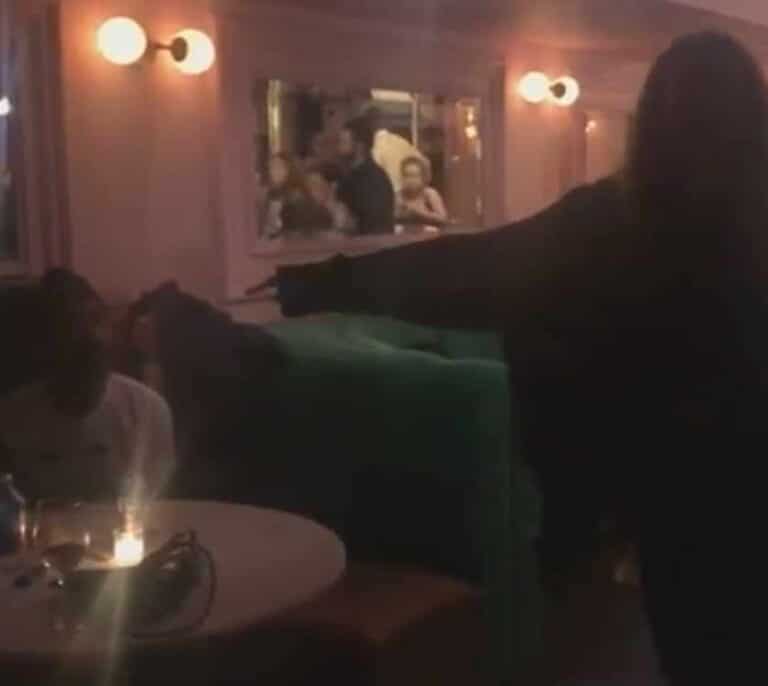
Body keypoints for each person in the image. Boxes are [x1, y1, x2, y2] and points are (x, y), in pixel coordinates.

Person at [251, 32, 768, 684]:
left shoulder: (610, 223)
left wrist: (320, 282)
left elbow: (471, 270)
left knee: (702, 651)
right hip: (734, 483)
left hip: (671, 499)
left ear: (654, 120)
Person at [0, 270, 175, 501]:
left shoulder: (148, 411)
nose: (91, 337)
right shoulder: (10, 418)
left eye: (95, 322)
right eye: (70, 327)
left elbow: (161, 508)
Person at [336, 116, 395, 234]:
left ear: (359, 146)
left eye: (343, 142)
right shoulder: (350, 176)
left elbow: (373, 221)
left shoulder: (372, 179)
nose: (338, 148)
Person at [260, 153, 333, 239]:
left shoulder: (296, 196)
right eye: (271, 167)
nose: (273, 172)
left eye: (278, 167)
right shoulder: (272, 194)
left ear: (290, 169)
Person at [365, 106, 430, 192]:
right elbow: (425, 163)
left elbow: (374, 178)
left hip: (387, 193)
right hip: (405, 193)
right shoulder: (402, 142)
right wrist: (420, 189)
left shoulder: (374, 147)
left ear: (369, 124)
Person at [395, 156, 448, 233]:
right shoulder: (399, 195)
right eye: (406, 175)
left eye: (414, 176)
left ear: (423, 177)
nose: (410, 180)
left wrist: (419, 212)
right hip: (405, 236)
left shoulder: (429, 194)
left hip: (429, 236)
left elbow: (442, 218)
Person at [305, 165, 352, 233]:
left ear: (333, 186)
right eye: (309, 187)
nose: (311, 191)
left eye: (316, 185)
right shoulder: (311, 212)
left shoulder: (341, 213)